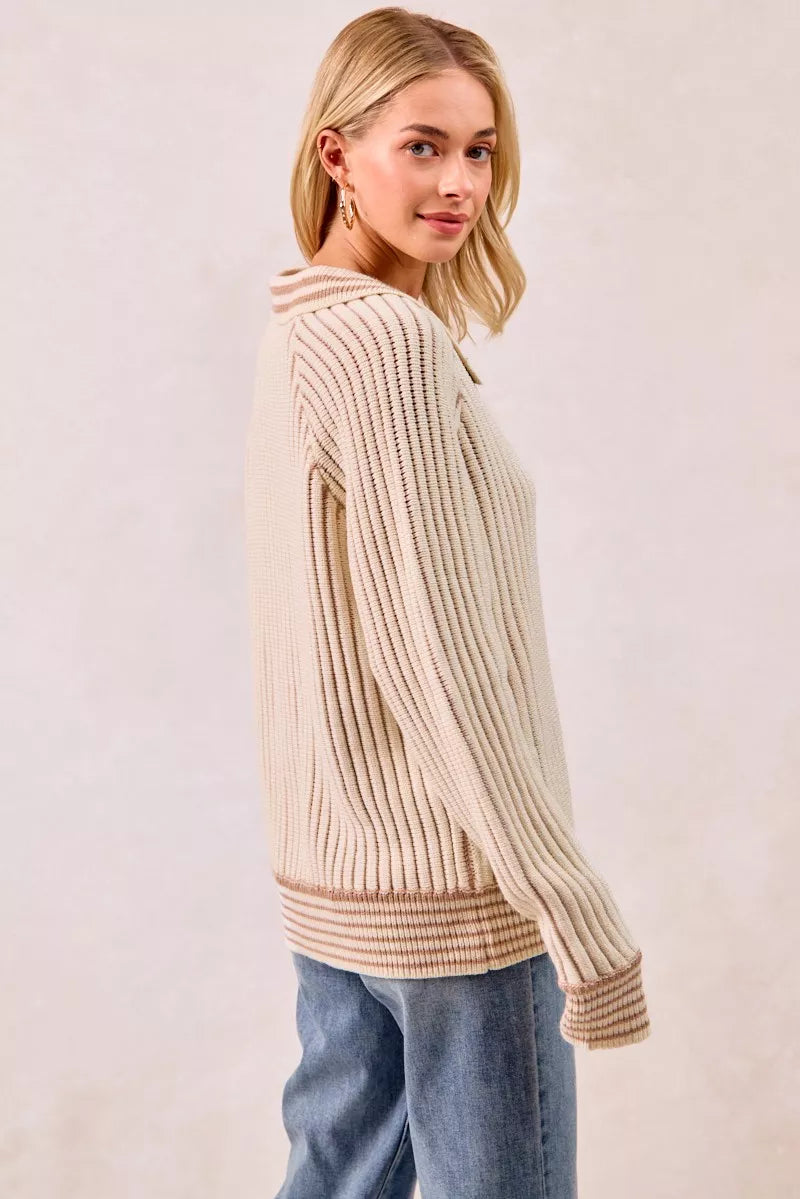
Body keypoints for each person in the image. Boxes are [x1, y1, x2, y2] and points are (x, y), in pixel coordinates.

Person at [244, 8, 652, 1197]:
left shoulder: (303, 325)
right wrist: (568, 904)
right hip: (456, 895)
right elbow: (440, 661)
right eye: (421, 146)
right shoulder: (382, 346)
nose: (459, 182)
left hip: (341, 888)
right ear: (337, 154)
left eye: (478, 150)